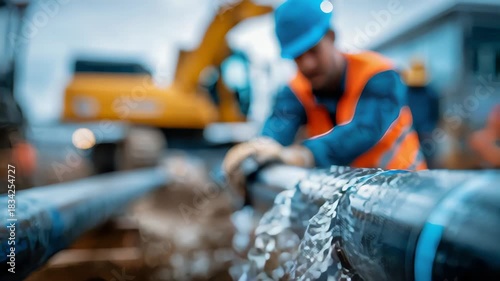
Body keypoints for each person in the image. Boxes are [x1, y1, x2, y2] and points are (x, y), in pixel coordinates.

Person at [223, 0, 427, 192]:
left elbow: (365, 129)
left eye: (313, 50)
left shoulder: (379, 75)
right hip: (350, 204)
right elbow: (279, 126)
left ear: (331, 36)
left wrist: (303, 155)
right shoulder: (296, 90)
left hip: (406, 197)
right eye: (297, 57)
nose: (307, 64)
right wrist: (258, 150)